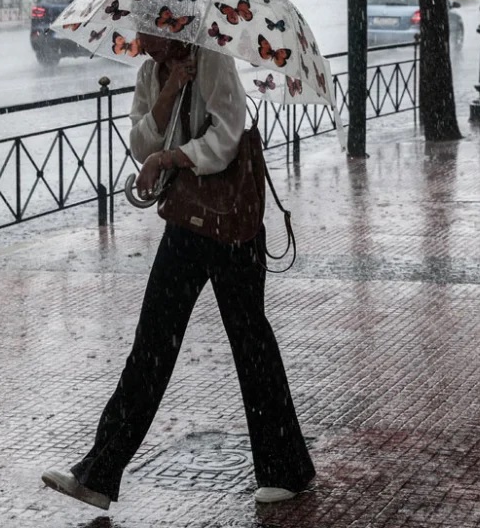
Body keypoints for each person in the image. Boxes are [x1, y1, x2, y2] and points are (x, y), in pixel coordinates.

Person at [41, 33, 315, 510]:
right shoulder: (151, 73)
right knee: (151, 346)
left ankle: (286, 469)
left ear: (172, 25)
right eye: (136, 27)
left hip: (231, 224)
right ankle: (100, 474)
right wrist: (169, 92)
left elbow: (228, 136)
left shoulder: (213, 60)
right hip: (187, 220)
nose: (138, 37)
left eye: (148, 27)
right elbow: (141, 143)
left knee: (251, 343)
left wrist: (171, 156)